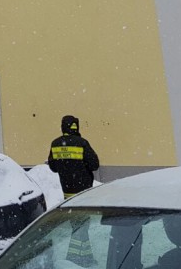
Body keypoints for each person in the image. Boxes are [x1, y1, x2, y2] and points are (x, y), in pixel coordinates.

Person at [48, 115, 101, 268]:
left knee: (77, 223)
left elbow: (53, 167)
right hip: (83, 192)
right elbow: (94, 164)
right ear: (76, 127)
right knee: (81, 225)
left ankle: (86, 256)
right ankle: (74, 258)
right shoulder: (82, 143)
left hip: (68, 192)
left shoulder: (55, 144)